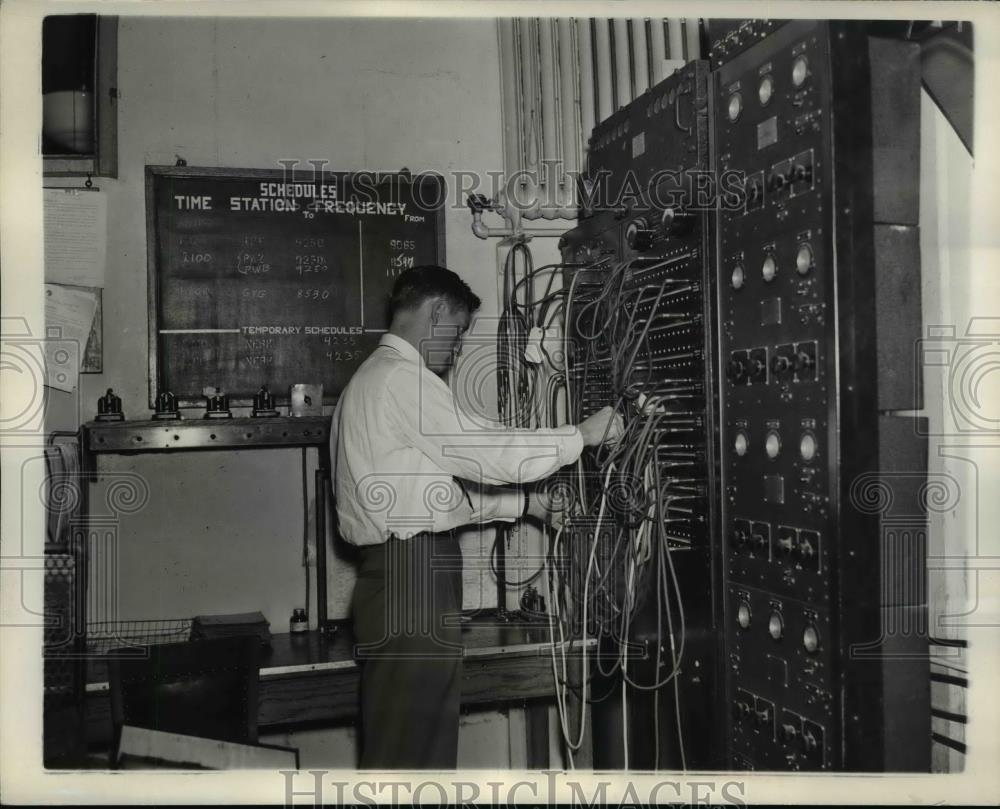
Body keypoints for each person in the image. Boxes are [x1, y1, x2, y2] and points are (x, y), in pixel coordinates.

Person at [329, 264, 621, 769]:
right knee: (414, 752)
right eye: (459, 331)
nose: (459, 346)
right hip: (412, 581)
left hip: (397, 575)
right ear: (437, 313)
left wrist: (526, 505)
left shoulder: (371, 381)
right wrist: (583, 435)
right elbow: (488, 453)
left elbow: (430, 494)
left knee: (408, 745)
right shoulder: (403, 380)